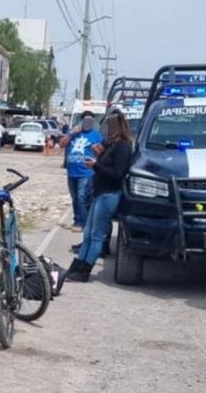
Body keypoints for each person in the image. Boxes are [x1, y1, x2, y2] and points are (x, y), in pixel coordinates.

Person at [65, 110, 133, 282]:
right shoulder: (110, 145)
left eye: (111, 126)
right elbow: (105, 163)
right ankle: (78, 265)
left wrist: (96, 165)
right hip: (100, 193)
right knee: (88, 233)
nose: (108, 130)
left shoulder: (123, 146)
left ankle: (85, 270)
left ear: (119, 127)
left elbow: (118, 173)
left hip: (110, 194)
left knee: (96, 235)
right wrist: (99, 155)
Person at [59, 111, 102, 231]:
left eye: (90, 121)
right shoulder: (74, 133)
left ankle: (84, 224)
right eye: (86, 120)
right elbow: (62, 145)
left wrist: (96, 154)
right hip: (72, 172)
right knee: (75, 198)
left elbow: (101, 151)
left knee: (82, 197)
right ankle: (77, 221)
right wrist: (71, 134)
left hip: (86, 172)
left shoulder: (96, 135)